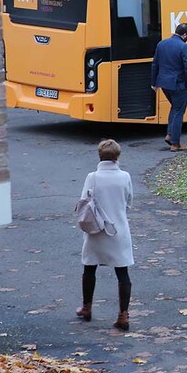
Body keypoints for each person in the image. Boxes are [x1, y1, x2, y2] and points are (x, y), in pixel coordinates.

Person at [75, 139, 135, 331]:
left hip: (96, 230)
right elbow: (129, 202)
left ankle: (87, 307)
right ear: (117, 157)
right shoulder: (125, 176)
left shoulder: (92, 177)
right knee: (122, 272)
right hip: (118, 230)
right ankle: (123, 315)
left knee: (90, 268)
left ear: (100, 156)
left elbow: (84, 200)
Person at [151, 22, 187, 151]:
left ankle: (170, 135)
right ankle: (175, 144)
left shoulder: (162, 44)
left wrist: (154, 82)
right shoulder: (183, 47)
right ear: (184, 34)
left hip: (164, 84)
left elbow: (155, 64)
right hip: (178, 85)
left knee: (175, 108)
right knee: (179, 112)